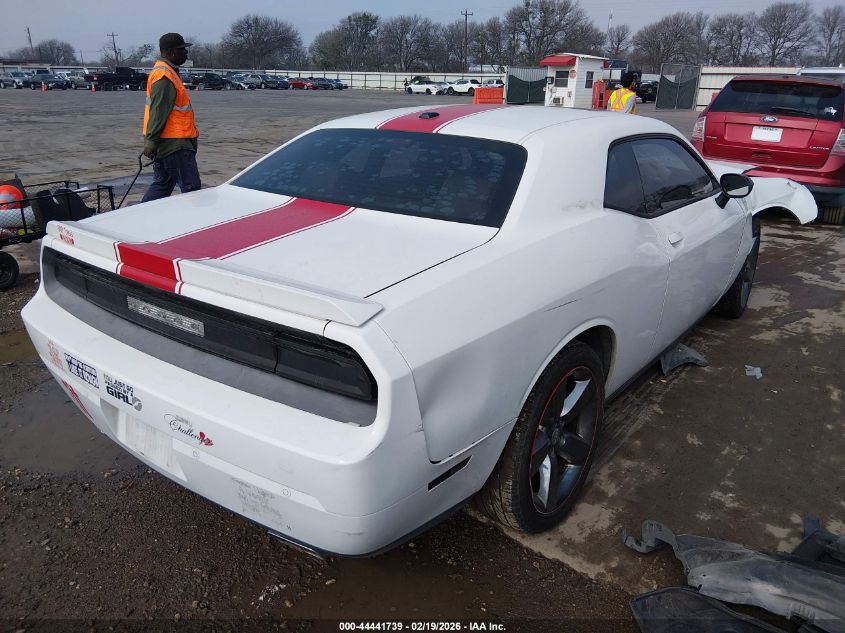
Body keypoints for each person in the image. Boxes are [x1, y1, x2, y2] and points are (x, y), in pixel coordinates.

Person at [141, 32, 201, 202]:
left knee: (163, 184)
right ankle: (196, 220)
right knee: (192, 190)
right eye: (182, 49)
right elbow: (158, 111)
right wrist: (151, 141)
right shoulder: (164, 75)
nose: (186, 53)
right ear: (170, 51)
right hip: (175, 144)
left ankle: (141, 215)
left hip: (168, 143)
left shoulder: (166, 72)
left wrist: (152, 141)